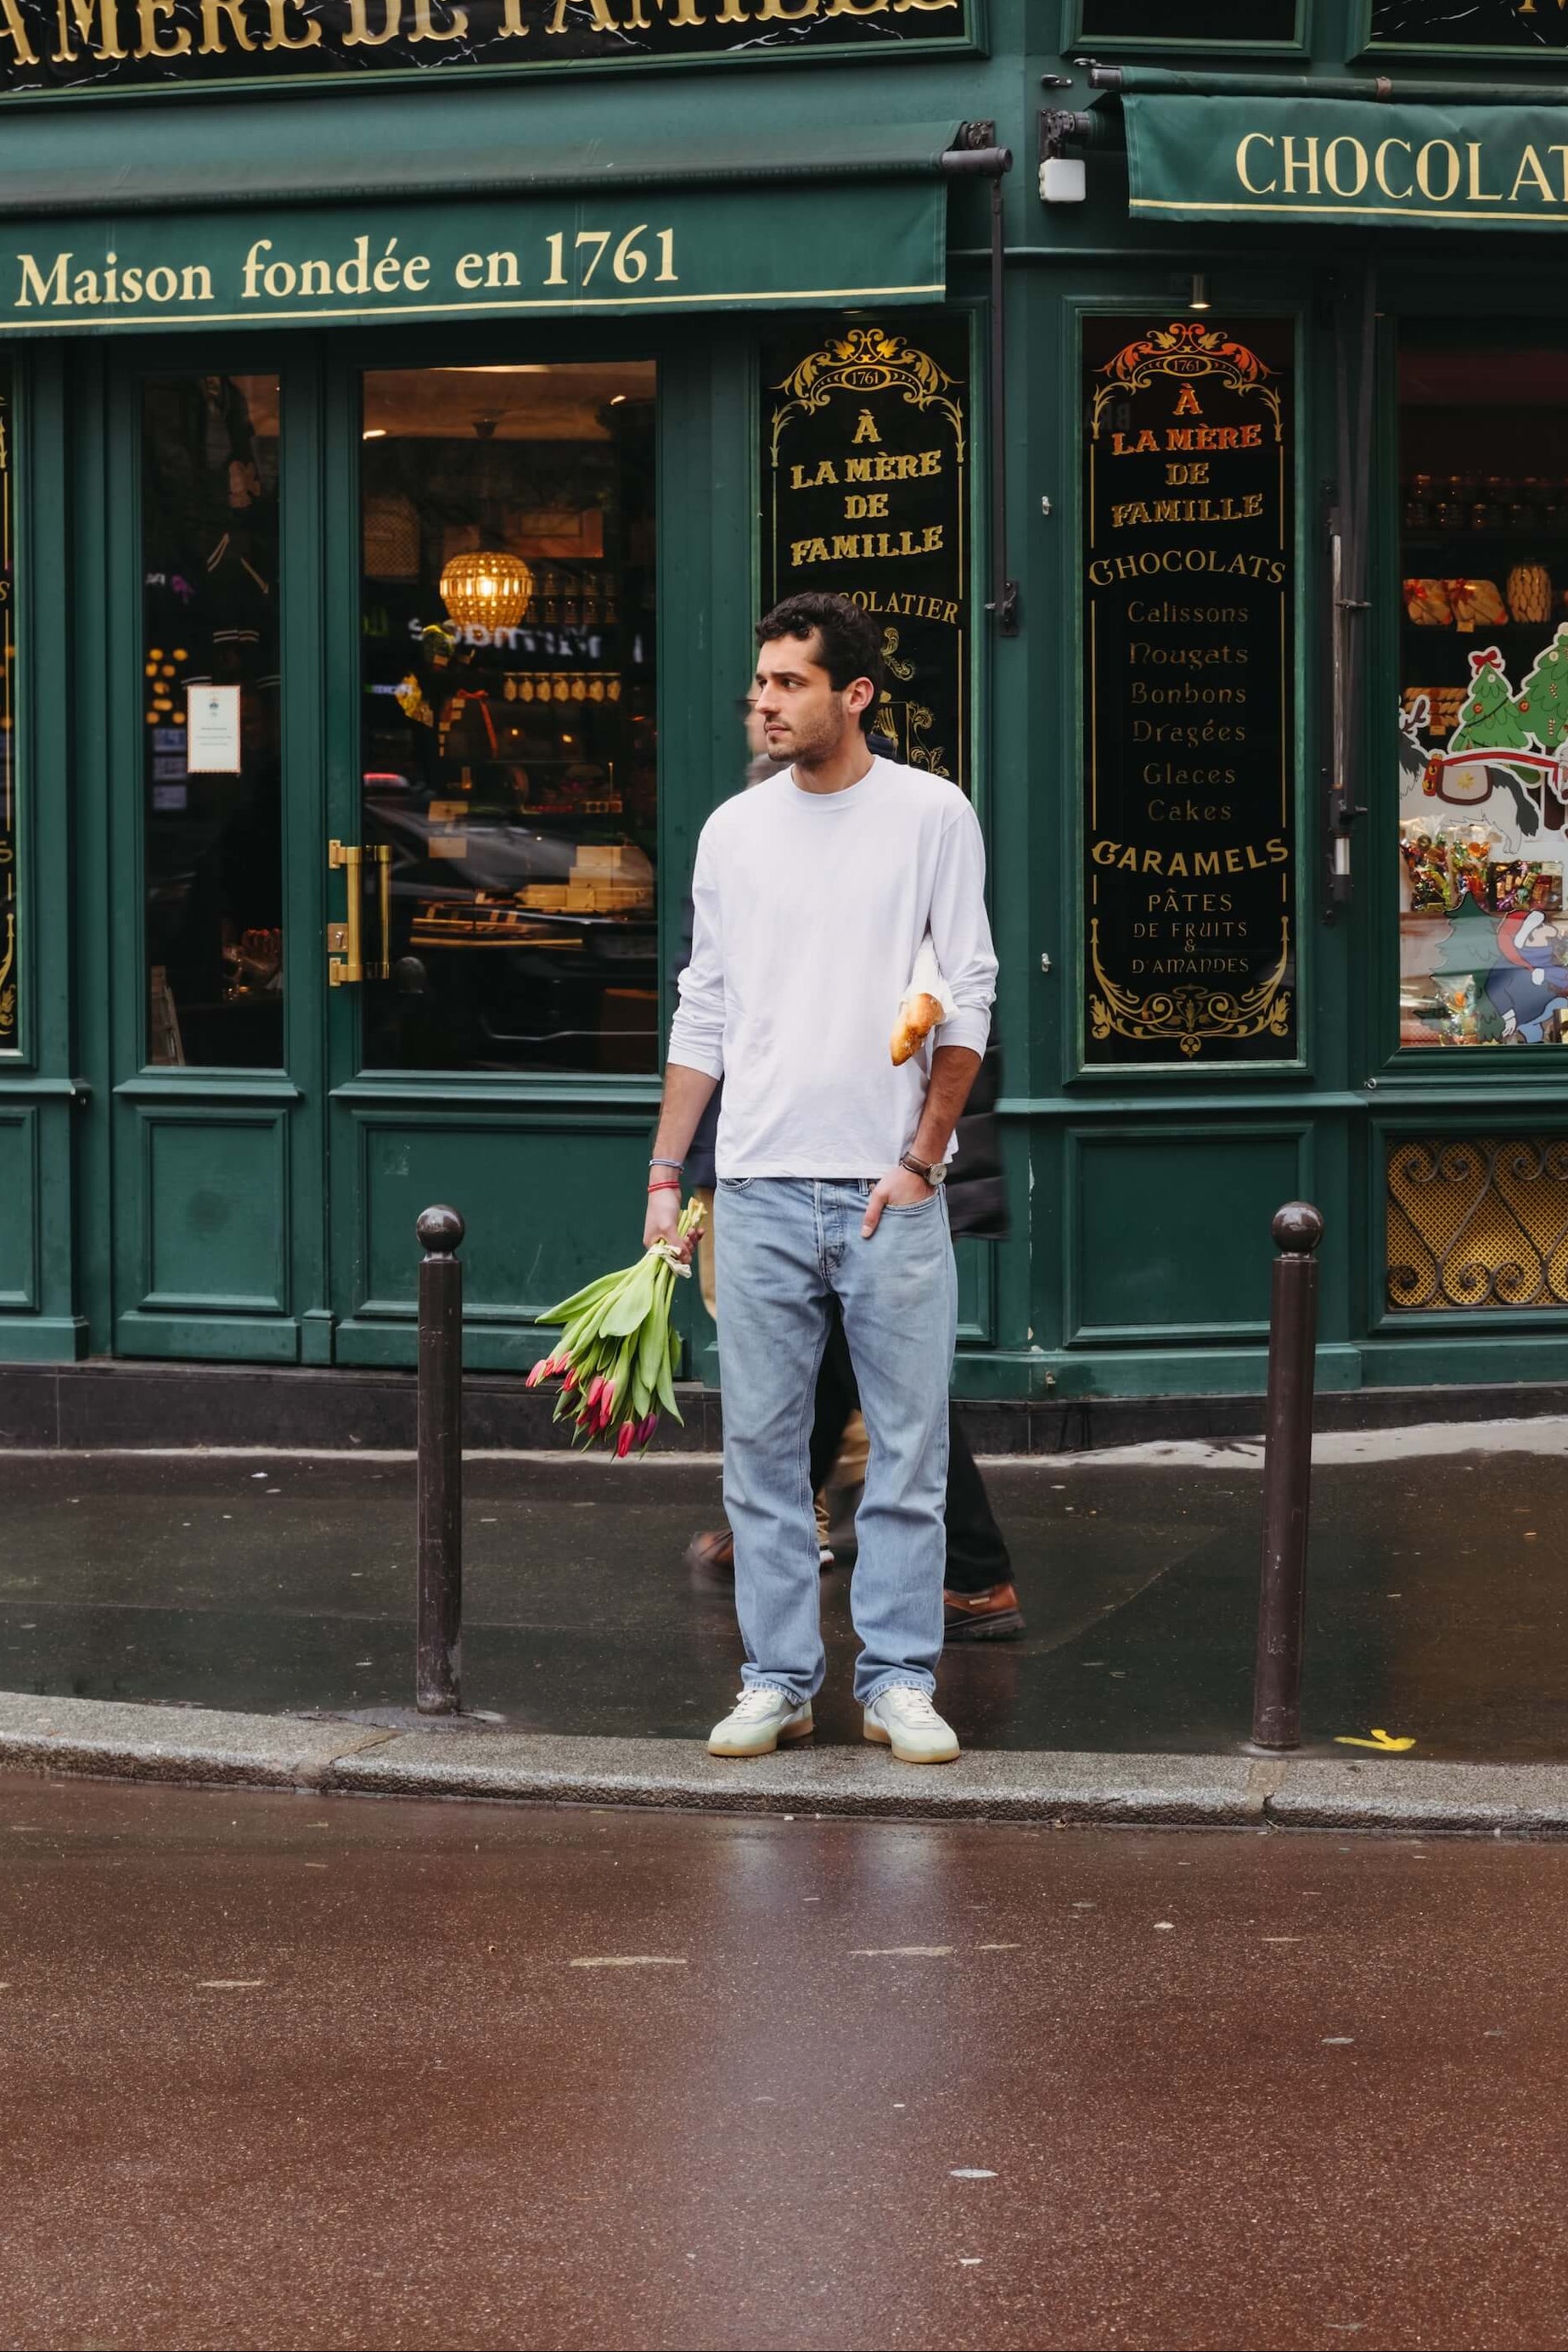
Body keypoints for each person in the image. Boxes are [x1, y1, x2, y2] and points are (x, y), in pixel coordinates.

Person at [645, 590, 998, 1764]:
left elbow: (968, 990)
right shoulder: (732, 832)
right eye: (760, 681)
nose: (763, 700)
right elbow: (704, 1009)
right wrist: (665, 1177)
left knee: (907, 1452)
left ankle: (898, 1677)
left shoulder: (930, 814)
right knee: (759, 1452)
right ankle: (779, 1680)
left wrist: (921, 1156)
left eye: (789, 682)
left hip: (882, 1186)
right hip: (753, 1185)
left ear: (855, 694)